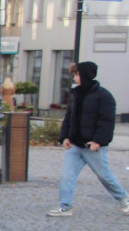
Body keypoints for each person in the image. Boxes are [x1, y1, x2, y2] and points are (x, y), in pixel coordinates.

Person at [47, 61, 129, 217]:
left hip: (93, 147)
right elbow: (69, 117)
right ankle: (65, 206)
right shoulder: (76, 94)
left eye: (76, 75)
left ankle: (125, 199)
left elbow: (107, 121)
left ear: (85, 75)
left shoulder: (104, 96)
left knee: (104, 176)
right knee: (66, 176)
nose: (74, 78)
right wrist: (64, 136)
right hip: (75, 146)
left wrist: (98, 141)